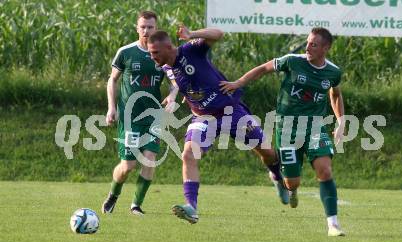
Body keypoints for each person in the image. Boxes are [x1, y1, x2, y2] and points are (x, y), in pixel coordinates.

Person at [147, 25, 289, 224]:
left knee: (266, 152)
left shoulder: (190, 49)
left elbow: (219, 34)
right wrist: (172, 96)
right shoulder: (165, 66)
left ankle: (276, 176)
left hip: (230, 110)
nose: (152, 55)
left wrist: (192, 35)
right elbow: (177, 82)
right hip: (203, 117)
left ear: (169, 47)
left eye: (155, 52)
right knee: (188, 154)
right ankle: (192, 207)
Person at [220, 27, 346, 236]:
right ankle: (289, 187)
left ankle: (333, 224)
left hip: (315, 127)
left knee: (325, 170)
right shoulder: (292, 61)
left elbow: (335, 93)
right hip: (287, 128)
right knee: (292, 182)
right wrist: (238, 83)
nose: (307, 47)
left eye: (313, 44)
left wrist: (341, 120)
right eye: (307, 42)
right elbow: (263, 68)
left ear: (326, 48)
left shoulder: (333, 72)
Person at [101, 11, 165, 216]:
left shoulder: (163, 53)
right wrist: (112, 107)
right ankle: (113, 194)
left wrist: (173, 95)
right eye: (143, 27)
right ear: (137, 28)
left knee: (150, 158)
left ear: (156, 29)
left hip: (154, 116)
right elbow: (112, 80)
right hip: (130, 117)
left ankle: (136, 205)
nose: (146, 31)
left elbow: (176, 82)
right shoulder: (126, 52)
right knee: (128, 165)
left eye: (150, 27)